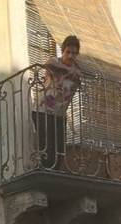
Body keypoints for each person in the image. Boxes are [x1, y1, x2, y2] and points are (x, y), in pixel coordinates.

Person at [33, 35, 81, 170]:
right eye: (68, 52)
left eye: (74, 53)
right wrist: (69, 71)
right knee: (46, 144)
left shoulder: (77, 72)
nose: (71, 56)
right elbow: (49, 65)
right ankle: (45, 168)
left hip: (60, 114)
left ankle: (54, 170)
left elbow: (78, 77)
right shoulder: (54, 61)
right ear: (62, 51)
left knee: (59, 147)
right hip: (42, 110)